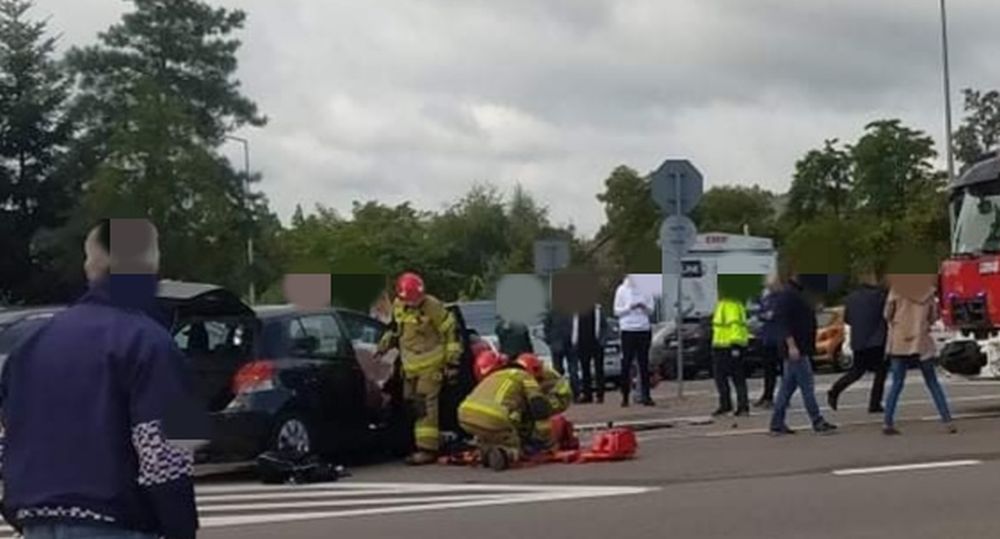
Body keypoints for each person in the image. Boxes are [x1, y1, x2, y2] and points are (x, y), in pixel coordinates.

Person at [0, 219, 202, 539]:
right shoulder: (152, 344)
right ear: (152, 264)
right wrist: (181, 528)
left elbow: (8, 435)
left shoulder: (32, 343)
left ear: (91, 266)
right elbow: (166, 457)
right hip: (117, 521)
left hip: (37, 520)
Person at [378, 272, 463, 465]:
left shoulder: (432, 306)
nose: (416, 302)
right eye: (412, 299)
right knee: (411, 405)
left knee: (424, 405)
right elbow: (396, 329)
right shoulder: (399, 306)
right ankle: (427, 440)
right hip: (409, 366)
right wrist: (384, 345)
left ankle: (427, 450)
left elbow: (451, 332)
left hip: (431, 364)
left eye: (418, 298)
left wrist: (452, 363)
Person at [882, 278, 955, 435]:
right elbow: (933, 316)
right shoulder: (927, 292)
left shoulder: (896, 290)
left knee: (896, 383)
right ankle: (947, 420)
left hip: (900, 340)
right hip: (921, 341)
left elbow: (887, 314)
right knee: (932, 383)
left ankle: (888, 422)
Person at [458, 351, 552, 471]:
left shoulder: (496, 375)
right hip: (492, 416)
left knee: (489, 437)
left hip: (465, 414)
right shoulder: (524, 375)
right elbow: (538, 405)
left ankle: (485, 452)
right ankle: (504, 454)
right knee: (513, 444)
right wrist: (542, 438)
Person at [769, 272, 838, 436]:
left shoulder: (799, 293)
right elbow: (783, 323)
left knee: (787, 388)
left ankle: (776, 424)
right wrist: (791, 345)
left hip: (801, 347)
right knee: (807, 386)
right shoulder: (787, 295)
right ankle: (817, 420)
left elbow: (803, 317)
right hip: (796, 349)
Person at [827, 271, 889, 414]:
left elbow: (848, 319)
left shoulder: (851, 298)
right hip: (877, 340)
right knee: (881, 371)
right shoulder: (880, 295)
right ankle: (874, 403)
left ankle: (835, 390)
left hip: (859, 340)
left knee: (857, 371)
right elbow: (887, 315)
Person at [516, 353, 572, 450]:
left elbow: (536, 394)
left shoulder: (546, 376)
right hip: (551, 396)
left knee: (538, 410)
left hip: (558, 398)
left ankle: (544, 439)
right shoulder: (532, 372)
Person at [613, 276, 654, 407]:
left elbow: (651, 310)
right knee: (626, 364)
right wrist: (628, 307)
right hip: (628, 329)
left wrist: (643, 307)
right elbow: (616, 311)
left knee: (644, 364)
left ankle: (646, 395)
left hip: (643, 329)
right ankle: (625, 396)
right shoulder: (621, 290)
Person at [711, 293, 751, 416]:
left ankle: (739, 406)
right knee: (726, 378)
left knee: (733, 378)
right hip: (722, 345)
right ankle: (729, 405)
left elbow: (735, 326)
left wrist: (735, 347)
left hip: (728, 346)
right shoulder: (724, 304)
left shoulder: (730, 304)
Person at [754, 276, 784, 409]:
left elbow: (775, 315)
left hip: (779, 339)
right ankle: (767, 396)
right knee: (768, 371)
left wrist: (767, 315)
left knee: (784, 371)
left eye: (770, 285)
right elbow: (761, 313)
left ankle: (783, 397)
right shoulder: (767, 299)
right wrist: (765, 315)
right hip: (767, 339)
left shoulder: (782, 299)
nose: (769, 288)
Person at [572, 303, 607, 404]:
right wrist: (574, 341)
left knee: (599, 370)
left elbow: (604, 326)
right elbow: (573, 326)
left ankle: (600, 395)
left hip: (596, 343)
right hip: (582, 343)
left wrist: (602, 341)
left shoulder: (597, 310)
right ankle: (588, 394)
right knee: (585, 370)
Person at [543, 310, 579, 399]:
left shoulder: (552, 313)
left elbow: (546, 328)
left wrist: (550, 341)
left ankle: (561, 393)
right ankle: (575, 393)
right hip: (569, 344)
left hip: (559, 344)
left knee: (558, 371)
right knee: (571, 370)